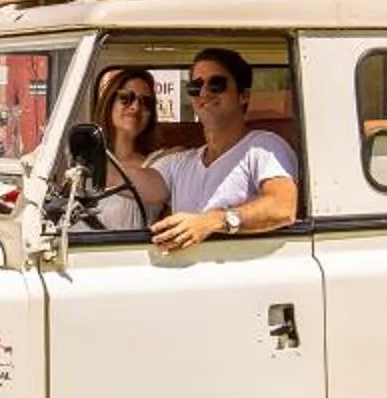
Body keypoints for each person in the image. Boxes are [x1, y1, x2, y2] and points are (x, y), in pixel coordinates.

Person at [150, 47, 298, 252]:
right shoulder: (179, 162)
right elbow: (131, 183)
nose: (204, 93)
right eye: (195, 86)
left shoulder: (263, 147)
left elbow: (282, 207)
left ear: (243, 95)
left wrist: (213, 221)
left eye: (217, 84)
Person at [77, 64, 167, 230]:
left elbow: (162, 190)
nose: (135, 107)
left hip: (123, 253)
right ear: (110, 103)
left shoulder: (159, 162)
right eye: (126, 98)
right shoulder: (81, 159)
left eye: (146, 102)